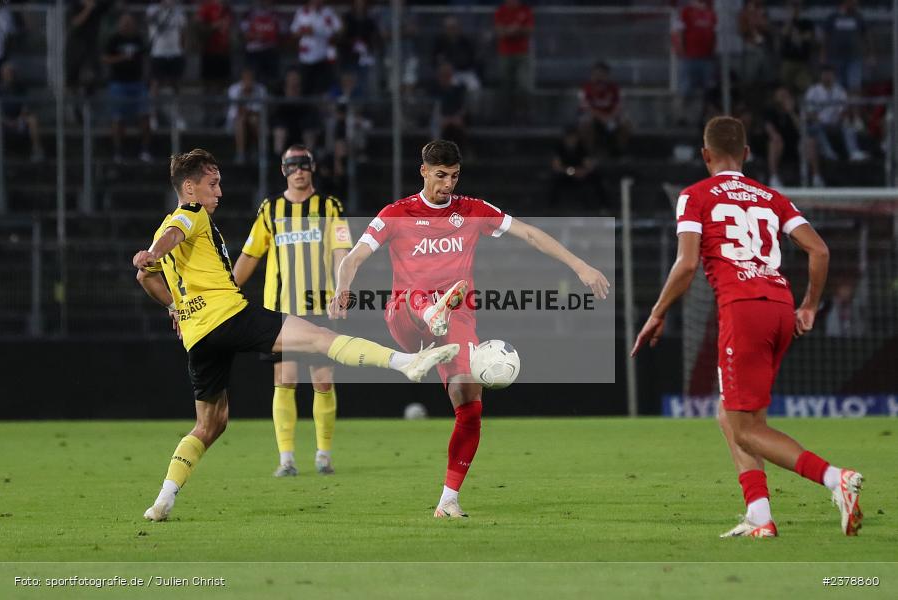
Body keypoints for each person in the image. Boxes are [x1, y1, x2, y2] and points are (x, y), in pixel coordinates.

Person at [134, 149, 459, 522]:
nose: (219, 192)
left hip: (197, 335)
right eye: (213, 184)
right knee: (320, 340)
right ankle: (406, 363)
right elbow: (171, 238)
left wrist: (173, 306)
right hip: (230, 315)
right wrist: (152, 252)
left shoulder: (167, 223)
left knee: (211, 423)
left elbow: (146, 276)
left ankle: (163, 499)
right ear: (189, 188)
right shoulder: (189, 214)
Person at [329, 140, 610, 518]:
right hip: (406, 317)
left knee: (470, 406)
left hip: (456, 319)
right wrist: (343, 288)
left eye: (455, 176)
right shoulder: (397, 213)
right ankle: (430, 311)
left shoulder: (472, 210)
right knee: (414, 295)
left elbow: (528, 233)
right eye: (440, 176)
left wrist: (580, 266)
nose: (448, 184)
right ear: (424, 171)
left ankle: (448, 500)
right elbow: (354, 257)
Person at [631, 116, 863, 538]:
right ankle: (759, 516)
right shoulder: (772, 197)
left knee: (745, 428)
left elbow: (685, 265)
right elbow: (819, 250)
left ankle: (835, 479)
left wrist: (658, 312)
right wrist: (809, 305)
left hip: (743, 308)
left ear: (705, 155)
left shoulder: (694, 195)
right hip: (779, 304)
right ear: (747, 155)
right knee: (734, 413)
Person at [232, 145, 352, 476]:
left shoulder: (329, 206)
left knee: (323, 380)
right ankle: (286, 459)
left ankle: (323, 454)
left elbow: (342, 248)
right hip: (280, 311)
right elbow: (250, 255)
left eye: (303, 165)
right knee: (284, 379)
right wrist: (226, 291)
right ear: (283, 170)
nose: (298, 171)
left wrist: (342, 288)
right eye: (291, 166)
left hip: (318, 307)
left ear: (313, 167)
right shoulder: (270, 209)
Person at [102, 12, 152, 163]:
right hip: (118, 83)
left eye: (129, 23)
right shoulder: (114, 40)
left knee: (144, 116)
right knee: (118, 118)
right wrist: (122, 58)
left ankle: (145, 150)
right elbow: (105, 58)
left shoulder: (138, 39)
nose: (127, 26)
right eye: (124, 23)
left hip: (137, 82)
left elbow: (145, 56)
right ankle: (118, 151)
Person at [804, 65, 868, 163]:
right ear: (821, 76)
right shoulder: (813, 91)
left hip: (835, 123)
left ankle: (853, 152)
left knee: (848, 125)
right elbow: (809, 113)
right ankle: (828, 153)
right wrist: (821, 122)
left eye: (830, 74)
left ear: (834, 76)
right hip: (818, 123)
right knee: (816, 127)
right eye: (825, 74)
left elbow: (843, 111)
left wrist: (838, 121)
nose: (827, 77)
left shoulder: (839, 90)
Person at [764, 86, 823, 187]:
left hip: (796, 144)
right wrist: (775, 136)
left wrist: (791, 112)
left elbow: (802, 130)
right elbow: (770, 130)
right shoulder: (771, 110)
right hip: (780, 145)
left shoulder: (796, 109)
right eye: (781, 96)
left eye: (785, 96)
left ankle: (816, 177)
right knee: (775, 142)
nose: (783, 98)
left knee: (810, 142)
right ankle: (774, 177)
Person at [671, 0, 716, 124]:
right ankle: (680, 116)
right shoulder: (686, 11)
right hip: (689, 57)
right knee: (685, 89)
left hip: (706, 58)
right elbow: (679, 32)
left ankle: (701, 117)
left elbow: (713, 34)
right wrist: (681, 51)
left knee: (707, 91)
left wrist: (712, 53)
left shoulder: (710, 13)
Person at [146, 0, 188, 131]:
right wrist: (163, 8)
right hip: (158, 52)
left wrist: (182, 49)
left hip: (175, 52)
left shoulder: (179, 10)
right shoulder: (152, 9)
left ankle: (177, 116)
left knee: (175, 85)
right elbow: (150, 20)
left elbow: (183, 30)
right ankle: (153, 117)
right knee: (155, 85)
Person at [290, 0, 342, 96]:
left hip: (323, 57)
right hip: (305, 58)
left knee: (323, 89)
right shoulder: (301, 12)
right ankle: (306, 109)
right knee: (305, 88)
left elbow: (339, 30)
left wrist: (319, 33)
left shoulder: (328, 12)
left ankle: (322, 110)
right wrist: (304, 32)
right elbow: (294, 32)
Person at [493, 0, 534, 122]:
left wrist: (515, 30)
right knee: (506, 84)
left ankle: (524, 114)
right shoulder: (501, 11)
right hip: (505, 54)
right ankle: (506, 115)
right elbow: (499, 32)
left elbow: (530, 30)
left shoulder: (525, 10)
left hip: (522, 53)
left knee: (524, 85)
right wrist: (512, 30)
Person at [577, 61, 628, 158]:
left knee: (626, 124)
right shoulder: (586, 89)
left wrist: (610, 117)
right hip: (594, 117)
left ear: (607, 75)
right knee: (585, 123)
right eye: (596, 74)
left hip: (610, 117)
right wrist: (602, 118)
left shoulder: (615, 89)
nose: (599, 77)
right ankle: (588, 153)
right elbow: (586, 107)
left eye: (602, 74)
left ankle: (619, 152)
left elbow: (619, 106)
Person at [822, 0, 870, 94]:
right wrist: (823, 55)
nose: (855, 4)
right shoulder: (833, 17)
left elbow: (866, 36)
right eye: (853, 2)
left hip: (854, 57)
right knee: (838, 88)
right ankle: (840, 108)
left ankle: (854, 108)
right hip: (835, 58)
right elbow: (825, 37)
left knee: (854, 86)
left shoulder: (858, 17)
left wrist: (870, 54)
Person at [0, 62, 44, 161]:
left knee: (33, 119)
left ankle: (37, 150)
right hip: (4, 121)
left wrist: (19, 118)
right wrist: (6, 120)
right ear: (2, 74)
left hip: (19, 119)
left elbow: (25, 107)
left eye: (11, 72)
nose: (9, 75)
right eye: (6, 73)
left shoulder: (21, 88)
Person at [272, 69, 321, 155]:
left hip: (302, 122)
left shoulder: (305, 92)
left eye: (295, 78)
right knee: (279, 131)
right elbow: (276, 113)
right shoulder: (279, 92)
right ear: (286, 79)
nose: (293, 80)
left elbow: (310, 111)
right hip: (285, 122)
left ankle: (309, 159)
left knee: (309, 129)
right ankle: (278, 159)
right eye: (291, 78)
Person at [226, 68, 267, 164]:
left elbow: (259, 112)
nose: (248, 80)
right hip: (235, 122)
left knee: (254, 120)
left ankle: (256, 151)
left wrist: (246, 112)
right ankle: (240, 154)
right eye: (246, 78)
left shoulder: (261, 89)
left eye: (250, 78)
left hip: (255, 121)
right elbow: (234, 112)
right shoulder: (234, 89)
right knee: (240, 121)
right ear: (242, 78)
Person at [241, 0, 283, 88]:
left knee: (272, 81)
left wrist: (269, 36)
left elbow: (282, 32)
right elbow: (243, 34)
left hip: (270, 51)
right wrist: (256, 36)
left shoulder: (275, 14)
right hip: (253, 52)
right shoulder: (249, 14)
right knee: (254, 79)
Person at [433, 16, 480, 93]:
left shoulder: (465, 41)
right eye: (449, 28)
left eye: (453, 27)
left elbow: (470, 59)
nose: (451, 30)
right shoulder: (440, 41)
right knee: (449, 84)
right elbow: (435, 58)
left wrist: (453, 64)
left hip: (466, 71)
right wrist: (442, 66)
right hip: (449, 74)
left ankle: (472, 104)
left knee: (475, 86)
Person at [778, 0, 816, 95]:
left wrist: (796, 35)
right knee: (787, 89)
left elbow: (808, 36)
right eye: (793, 6)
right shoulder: (784, 22)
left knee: (806, 87)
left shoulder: (807, 22)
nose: (795, 9)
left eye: (797, 6)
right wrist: (791, 19)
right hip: (788, 61)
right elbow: (784, 33)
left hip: (802, 62)